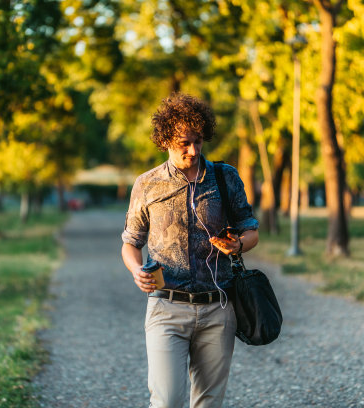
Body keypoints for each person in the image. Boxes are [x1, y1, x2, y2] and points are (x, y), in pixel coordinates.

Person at [121, 92, 259, 408]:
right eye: (185, 142)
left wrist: (237, 244)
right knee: (167, 401)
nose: (193, 150)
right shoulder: (148, 184)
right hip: (166, 308)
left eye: (198, 141)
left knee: (208, 403)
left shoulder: (225, 178)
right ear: (166, 139)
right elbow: (130, 243)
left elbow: (251, 232)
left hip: (218, 308)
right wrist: (136, 270)